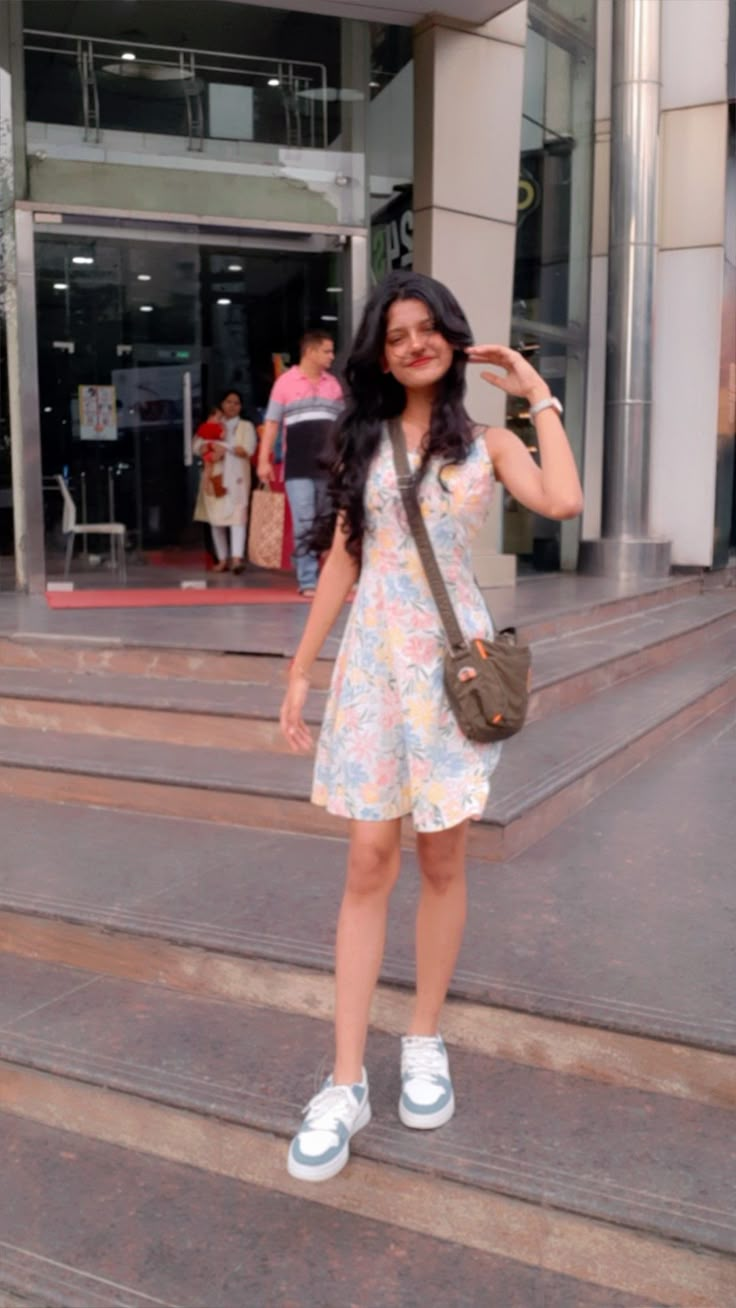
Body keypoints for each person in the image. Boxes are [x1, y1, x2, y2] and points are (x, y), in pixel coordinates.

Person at [279, 270, 583, 1183]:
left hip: (448, 676)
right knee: (368, 859)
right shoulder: (364, 441)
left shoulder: (487, 442)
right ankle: (344, 1081)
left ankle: (422, 1039)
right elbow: (344, 557)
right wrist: (301, 668)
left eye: (429, 329)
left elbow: (563, 502)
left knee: (441, 858)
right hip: (376, 671)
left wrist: (537, 395)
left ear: (453, 337)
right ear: (379, 349)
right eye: (396, 333)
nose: (414, 344)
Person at [257, 331, 343, 597]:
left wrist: (344, 458)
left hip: (327, 466)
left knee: (326, 522)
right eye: (327, 351)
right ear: (311, 352)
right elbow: (271, 423)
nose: (331, 356)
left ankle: (329, 575)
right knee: (304, 522)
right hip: (296, 466)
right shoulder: (285, 383)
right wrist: (264, 459)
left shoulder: (334, 385)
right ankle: (308, 580)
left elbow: (342, 427)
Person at [193, 390, 257, 574]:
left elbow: (248, 450)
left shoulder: (246, 426)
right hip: (214, 476)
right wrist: (209, 447)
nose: (232, 406)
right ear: (222, 404)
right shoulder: (212, 423)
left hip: (236, 478)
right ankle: (222, 559)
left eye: (236, 403)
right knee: (215, 519)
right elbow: (197, 445)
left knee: (238, 518)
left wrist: (225, 448)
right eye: (228, 402)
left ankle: (237, 558)